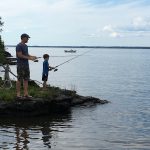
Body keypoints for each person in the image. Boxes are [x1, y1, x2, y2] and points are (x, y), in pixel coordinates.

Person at [16, 33, 37, 99]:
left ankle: (26, 94)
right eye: (27, 38)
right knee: (19, 79)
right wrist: (29, 58)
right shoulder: (18, 46)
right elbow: (20, 55)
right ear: (23, 38)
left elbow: (26, 54)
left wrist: (32, 57)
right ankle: (18, 94)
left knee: (26, 79)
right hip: (20, 65)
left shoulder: (26, 46)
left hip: (26, 65)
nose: (28, 39)